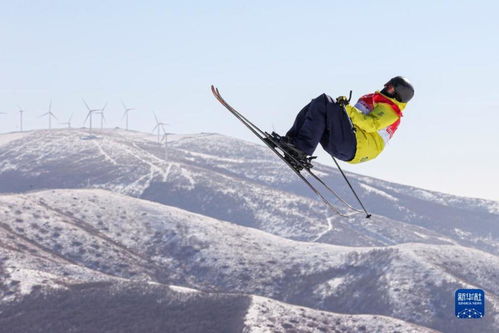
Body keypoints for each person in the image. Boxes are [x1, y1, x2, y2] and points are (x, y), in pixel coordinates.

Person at [277, 76, 414, 167]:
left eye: (390, 88)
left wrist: (346, 109)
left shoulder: (391, 112)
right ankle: (293, 143)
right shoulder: (370, 99)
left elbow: (369, 124)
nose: (386, 88)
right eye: (387, 84)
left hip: (356, 147)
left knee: (324, 101)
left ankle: (300, 150)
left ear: (398, 95)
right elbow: (352, 119)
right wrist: (341, 108)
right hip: (346, 143)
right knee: (317, 105)